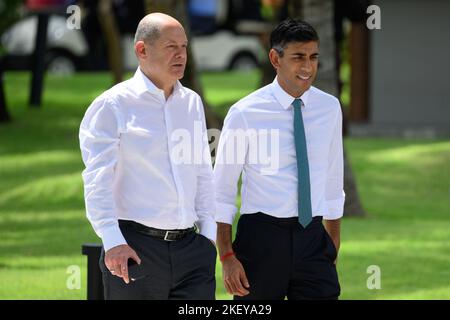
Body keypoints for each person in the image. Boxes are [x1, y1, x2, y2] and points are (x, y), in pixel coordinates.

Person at [79, 13, 217, 300]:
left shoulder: (191, 102)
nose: (181, 55)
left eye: (184, 46)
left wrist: (208, 237)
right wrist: (113, 240)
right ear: (142, 50)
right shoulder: (112, 105)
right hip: (134, 250)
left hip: (192, 251)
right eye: (171, 47)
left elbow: (202, 170)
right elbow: (97, 179)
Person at [214, 19, 344, 300]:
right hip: (261, 238)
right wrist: (226, 256)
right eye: (298, 57)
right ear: (275, 58)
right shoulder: (244, 113)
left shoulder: (330, 108)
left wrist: (332, 242)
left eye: (313, 57)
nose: (308, 67)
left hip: (313, 238)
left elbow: (333, 179)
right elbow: (222, 192)